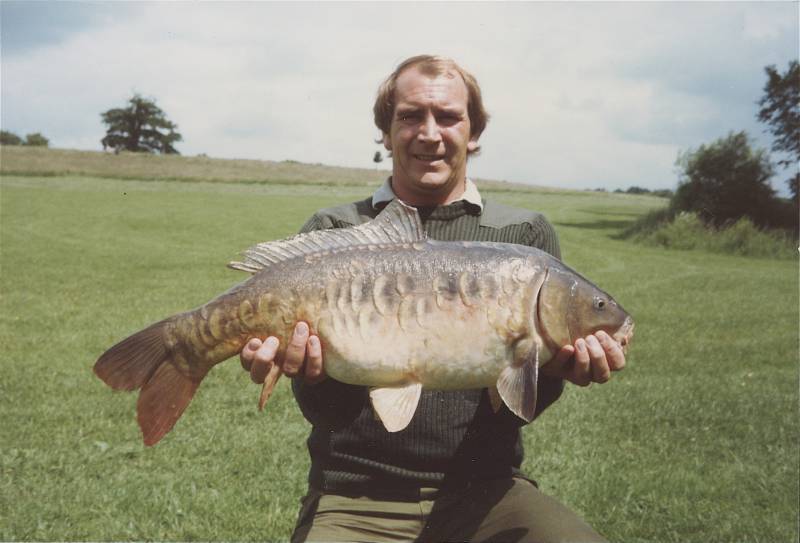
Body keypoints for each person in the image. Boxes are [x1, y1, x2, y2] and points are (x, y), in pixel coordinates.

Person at [240, 55, 626, 543]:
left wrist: (554, 371)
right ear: (385, 131)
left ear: (474, 130)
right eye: (409, 116)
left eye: (447, 117)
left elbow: (516, 408)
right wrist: (308, 371)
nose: (429, 133)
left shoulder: (524, 237)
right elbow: (326, 413)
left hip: (486, 493)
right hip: (356, 495)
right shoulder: (335, 232)